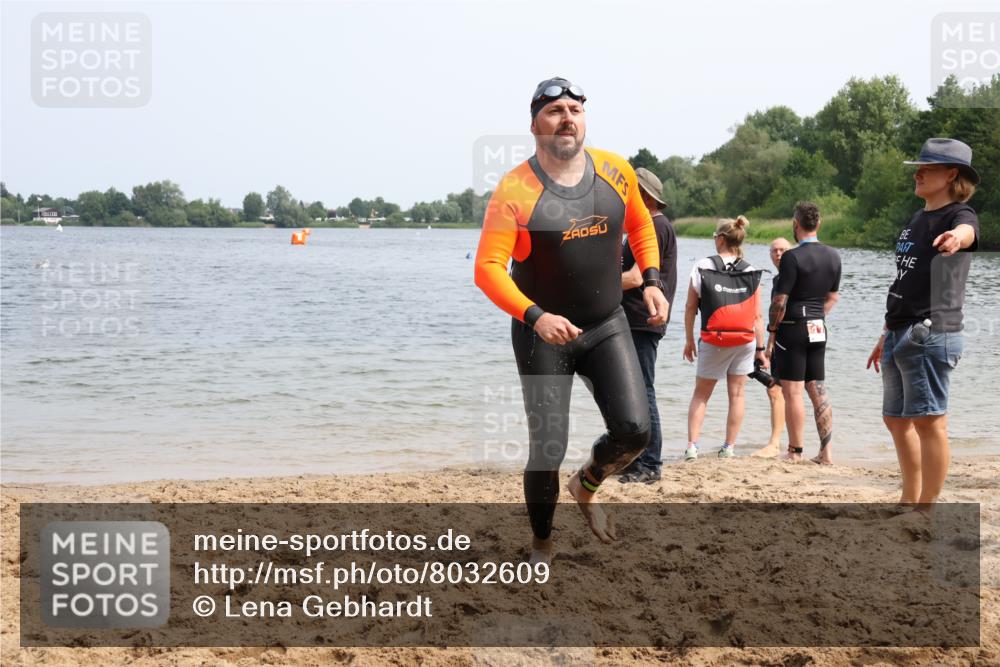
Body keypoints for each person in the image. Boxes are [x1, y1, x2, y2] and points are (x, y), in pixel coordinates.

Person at [474, 77, 669, 564]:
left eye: (574, 109)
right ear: (535, 124)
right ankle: (542, 542)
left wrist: (650, 280)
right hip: (544, 334)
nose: (567, 118)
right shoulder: (515, 189)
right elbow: (488, 269)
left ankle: (587, 486)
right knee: (548, 446)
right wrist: (535, 317)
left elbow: (641, 223)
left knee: (634, 431)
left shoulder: (615, 170)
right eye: (554, 110)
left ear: (584, 118)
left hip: (606, 324)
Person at [866, 138, 980, 514]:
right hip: (900, 329)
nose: (917, 173)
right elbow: (904, 281)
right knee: (896, 419)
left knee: (930, 421)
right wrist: (885, 332)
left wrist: (956, 240)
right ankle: (909, 499)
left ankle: (927, 508)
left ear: (951, 175)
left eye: (926, 168)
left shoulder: (959, 216)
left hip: (933, 331)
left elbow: (967, 233)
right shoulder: (917, 218)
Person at [682, 216, 765, 460]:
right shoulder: (750, 270)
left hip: (714, 339)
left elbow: (689, 307)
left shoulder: (702, 266)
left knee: (701, 394)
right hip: (744, 339)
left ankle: (692, 447)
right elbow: (757, 315)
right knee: (737, 394)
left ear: (720, 239)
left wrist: (688, 339)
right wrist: (760, 348)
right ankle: (728, 448)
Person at [765, 202, 841, 465]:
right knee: (817, 388)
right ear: (818, 224)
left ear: (795, 224)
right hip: (818, 326)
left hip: (792, 327)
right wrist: (815, 316)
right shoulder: (834, 256)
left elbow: (779, 302)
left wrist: (772, 332)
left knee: (793, 391)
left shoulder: (791, 257)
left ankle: (795, 451)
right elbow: (833, 298)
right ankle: (826, 453)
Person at [617, 168, 678, 484]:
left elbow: (638, 277)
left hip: (642, 319)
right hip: (639, 319)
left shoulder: (653, 227)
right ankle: (637, 459)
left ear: (644, 196)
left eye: (628, 191)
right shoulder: (648, 226)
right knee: (634, 393)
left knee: (643, 392)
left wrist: (596, 286)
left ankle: (650, 463)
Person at [750, 237, 791, 458]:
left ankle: (776, 443)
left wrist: (770, 342)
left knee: (777, 389)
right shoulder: (777, 279)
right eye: (774, 251)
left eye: (783, 250)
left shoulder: (791, 277)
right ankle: (784, 443)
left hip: (788, 340)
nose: (778, 254)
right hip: (780, 339)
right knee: (777, 390)